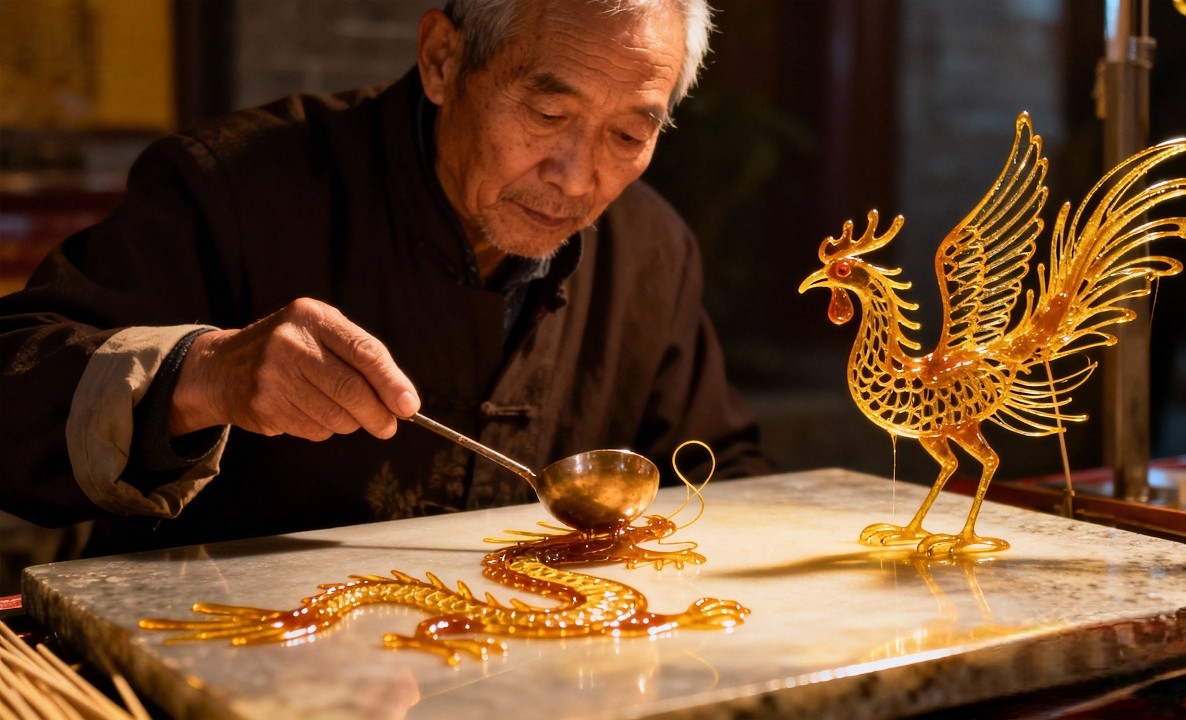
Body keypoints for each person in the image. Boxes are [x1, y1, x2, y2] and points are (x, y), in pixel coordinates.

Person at [0, 0, 773, 557]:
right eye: (546, 114)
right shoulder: (235, 187)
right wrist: (205, 375)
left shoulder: (651, 250)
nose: (576, 179)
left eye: (629, 133)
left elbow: (720, 473)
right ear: (443, 59)